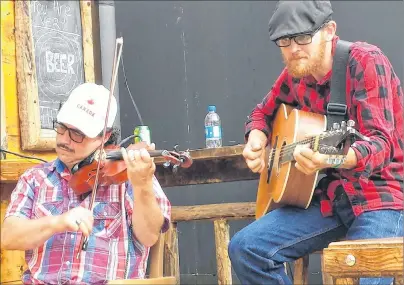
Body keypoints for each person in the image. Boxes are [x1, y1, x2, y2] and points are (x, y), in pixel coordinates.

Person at [228, 1, 403, 285]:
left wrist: (333, 159)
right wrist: (257, 136)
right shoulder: (296, 75)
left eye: (303, 36)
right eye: (284, 40)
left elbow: (382, 144)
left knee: (363, 275)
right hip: (332, 198)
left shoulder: (366, 61)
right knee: (246, 248)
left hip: (381, 198)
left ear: (330, 31)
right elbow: (261, 113)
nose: (294, 48)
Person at [1, 83, 171, 284]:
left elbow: (149, 236)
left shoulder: (131, 175)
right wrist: (57, 222)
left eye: (78, 134)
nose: (65, 139)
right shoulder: (35, 179)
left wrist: (142, 186)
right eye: (61, 127)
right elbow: (9, 236)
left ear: (105, 136)